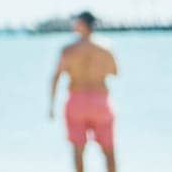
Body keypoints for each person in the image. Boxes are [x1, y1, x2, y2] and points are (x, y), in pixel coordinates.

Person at [49, 11, 119, 172]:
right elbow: (115, 72)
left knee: (78, 150)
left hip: (76, 100)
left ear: (82, 24)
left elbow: (56, 77)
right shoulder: (106, 48)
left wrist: (51, 105)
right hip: (101, 99)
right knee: (108, 149)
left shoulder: (68, 50)